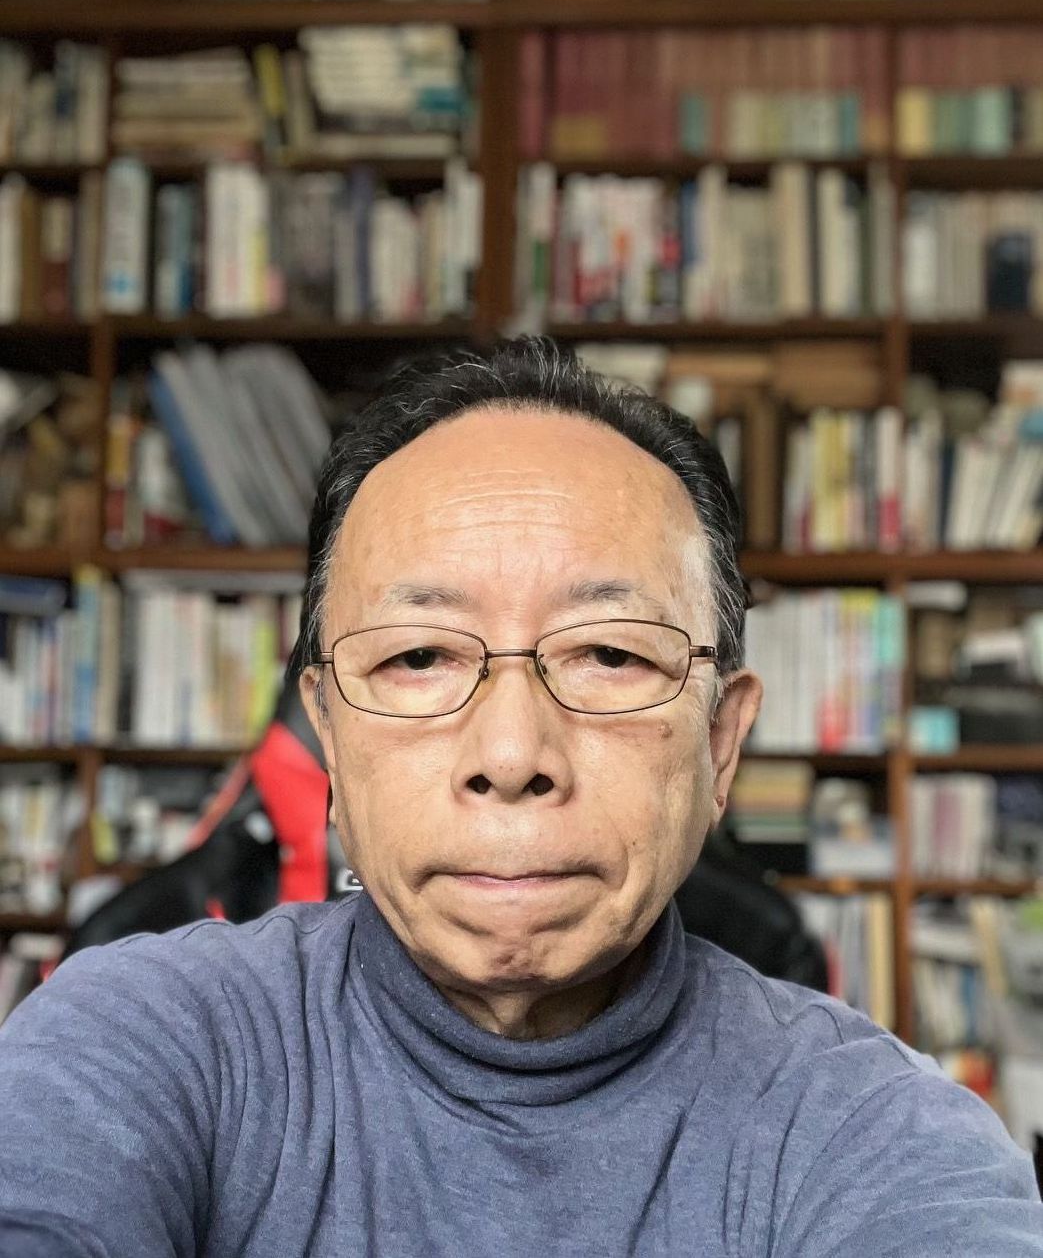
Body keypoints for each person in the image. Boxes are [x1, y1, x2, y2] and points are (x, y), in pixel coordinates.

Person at [1, 337, 1040, 1257]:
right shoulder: (140, 1036)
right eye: (417, 655)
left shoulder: (874, 1131)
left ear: (720, 743)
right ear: (329, 737)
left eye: (608, 654)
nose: (509, 754)